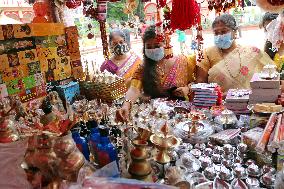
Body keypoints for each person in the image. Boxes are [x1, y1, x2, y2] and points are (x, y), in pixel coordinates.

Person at [116, 26, 196, 122]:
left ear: (166, 44)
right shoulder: (143, 68)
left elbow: (196, 83)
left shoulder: (183, 61)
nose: (153, 49)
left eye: (157, 46)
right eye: (148, 47)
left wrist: (187, 89)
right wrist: (126, 105)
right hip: (155, 118)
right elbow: (134, 89)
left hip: (181, 117)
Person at [196, 14, 275, 93]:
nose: (219, 36)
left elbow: (272, 74)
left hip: (251, 101)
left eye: (223, 31)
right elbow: (200, 84)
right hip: (219, 102)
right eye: (216, 33)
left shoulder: (252, 52)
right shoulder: (206, 54)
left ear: (235, 32)